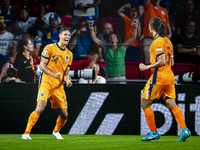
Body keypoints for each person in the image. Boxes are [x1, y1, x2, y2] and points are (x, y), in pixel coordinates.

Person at [139, 17, 191, 142]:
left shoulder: (156, 42)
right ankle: (184, 130)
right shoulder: (168, 41)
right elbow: (171, 62)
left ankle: (153, 132)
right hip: (170, 76)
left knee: (145, 103)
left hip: (159, 77)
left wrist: (147, 67)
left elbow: (162, 61)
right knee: (171, 103)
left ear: (152, 27)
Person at [21, 27, 73, 140]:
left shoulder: (69, 54)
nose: (67, 37)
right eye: (65, 34)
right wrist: (53, 75)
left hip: (58, 86)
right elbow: (42, 66)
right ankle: (26, 133)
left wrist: (67, 80)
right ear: (59, 35)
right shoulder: (49, 48)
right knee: (40, 106)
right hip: (46, 81)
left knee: (65, 114)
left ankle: (56, 131)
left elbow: (66, 73)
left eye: (69, 35)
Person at [88, 19, 138, 84]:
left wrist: (135, 27)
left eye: (114, 37)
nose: (112, 39)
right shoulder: (106, 48)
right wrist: (91, 27)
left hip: (121, 77)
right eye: (111, 37)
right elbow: (94, 38)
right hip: (109, 77)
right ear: (109, 40)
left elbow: (133, 37)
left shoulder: (122, 47)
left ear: (117, 39)